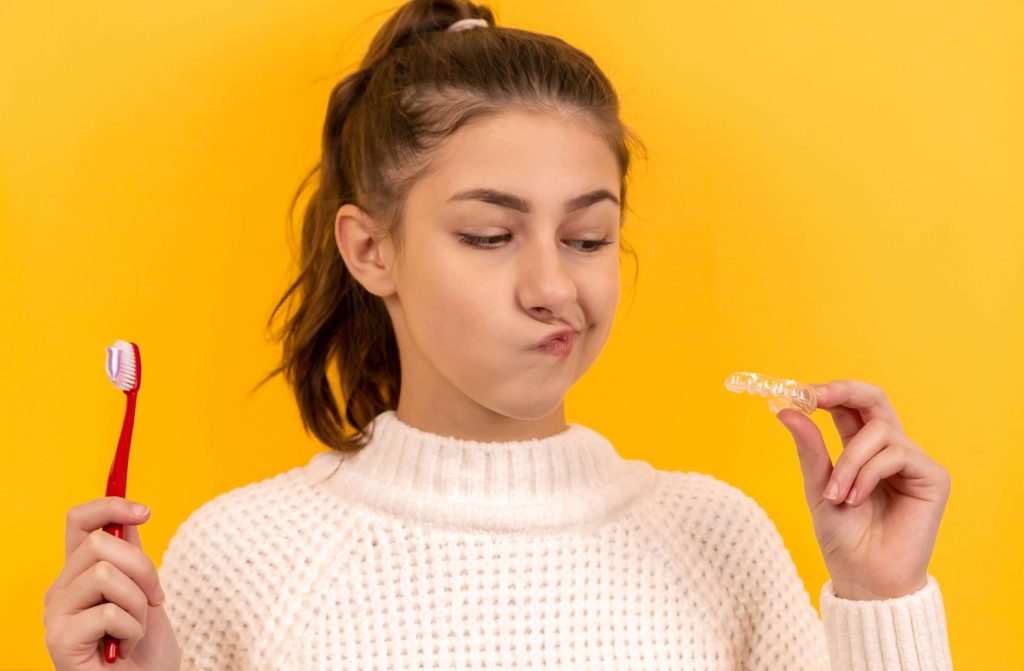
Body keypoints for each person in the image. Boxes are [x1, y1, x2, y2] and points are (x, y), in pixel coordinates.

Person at [43, 1, 954, 669]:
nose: (555, 285)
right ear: (370, 249)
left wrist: (882, 598)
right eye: (489, 235)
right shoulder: (240, 558)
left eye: (588, 238)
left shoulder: (718, 539)